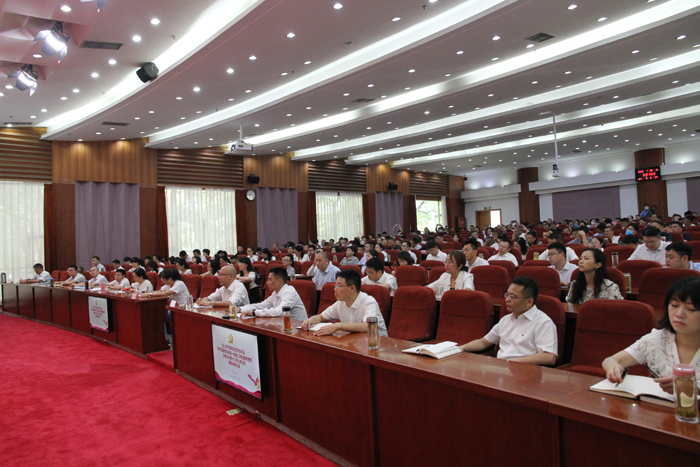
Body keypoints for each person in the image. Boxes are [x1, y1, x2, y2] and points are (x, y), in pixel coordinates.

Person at [602, 277, 700, 393]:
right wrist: (613, 367)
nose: (679, 314)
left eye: (691, 309)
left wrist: (694, 389)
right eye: (674, 305)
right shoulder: (658, 339)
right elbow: (611, 360)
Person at [458, 276, 557, 365]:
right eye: (507, 295)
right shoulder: (506, 320)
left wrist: (511, 363)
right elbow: (483, 342)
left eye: (512, 296)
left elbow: (549, 357)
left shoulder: (543, 322)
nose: (507, 300)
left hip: (524, 371)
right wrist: (462, 348)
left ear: (529, 302)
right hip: (500, 369)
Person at [301, 269, 387, 337]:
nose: (335, 289)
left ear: (352, 288)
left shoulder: (369, 302)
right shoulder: (340, 303)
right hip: (354, 342)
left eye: (339, 286)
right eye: (335, 285)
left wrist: (337, 326)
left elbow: (368, 326)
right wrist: (311, 320)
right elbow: (321, 317)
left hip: (377, 345)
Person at [239, 268, 307, 320]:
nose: (267, 282)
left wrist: (254, 312)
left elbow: (279, 312)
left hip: (298, 328)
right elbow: (261, 306)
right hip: (283, 325)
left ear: (279, 281)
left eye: (270, 279)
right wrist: (240, 309)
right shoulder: (275, 292)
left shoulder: (289, 292)